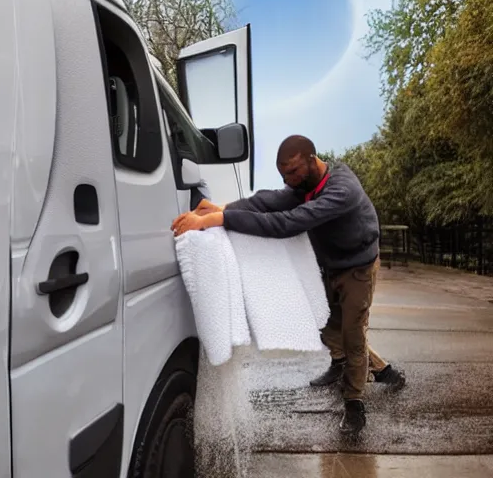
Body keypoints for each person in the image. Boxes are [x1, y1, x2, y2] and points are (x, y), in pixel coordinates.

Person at [171, 135, 406, 435]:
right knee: (327, 325)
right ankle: (370, 368)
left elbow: (287, 223)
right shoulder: (303, 185)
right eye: (285, 176)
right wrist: (222, 207)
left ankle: (354, 404)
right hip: (331, 264)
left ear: (311, 160)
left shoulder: (340, 190)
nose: (289, 181)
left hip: (358, 267)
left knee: (353, 334)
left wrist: (218, 220)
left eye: (293, 173)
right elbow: (268, 200)